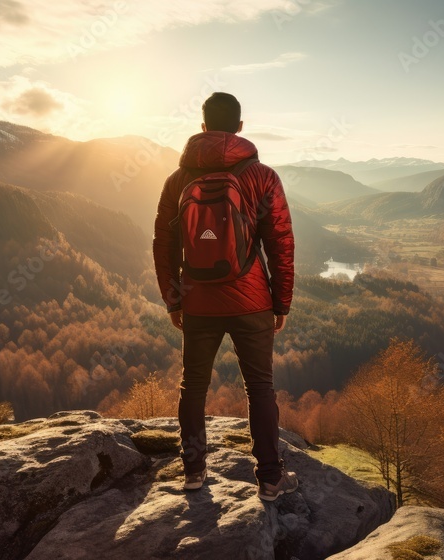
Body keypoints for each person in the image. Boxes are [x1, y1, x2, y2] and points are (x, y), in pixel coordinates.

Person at [152, 92, 297, 501]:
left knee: (193, 386)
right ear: (240, 127)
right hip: (252, 302)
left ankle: (194, 472)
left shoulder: (177, 179)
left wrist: (173, 299)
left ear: (202, 128)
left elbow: (164, 243)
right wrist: (280, 302)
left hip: (197, 302)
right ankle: (270, 478)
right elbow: (281, 242)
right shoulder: (262, 176)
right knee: (260, 388)